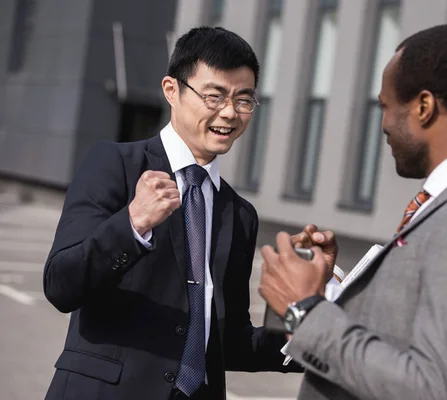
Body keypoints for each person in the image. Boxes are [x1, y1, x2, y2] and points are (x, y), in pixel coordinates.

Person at [259, 24, 447, 400]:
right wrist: (327, 292)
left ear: (423, 107)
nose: (383, 125)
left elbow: (433, 387)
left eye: (386, 106)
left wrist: (306, 311)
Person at [43, 26, 301, 400]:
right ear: (172, 91)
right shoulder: (114, 165)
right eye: (214, 96)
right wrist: (132, 224)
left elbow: (230, 340)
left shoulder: (239, 214)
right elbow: (60, 285)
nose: (229, 113)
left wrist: (309, 329)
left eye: (243, 100)